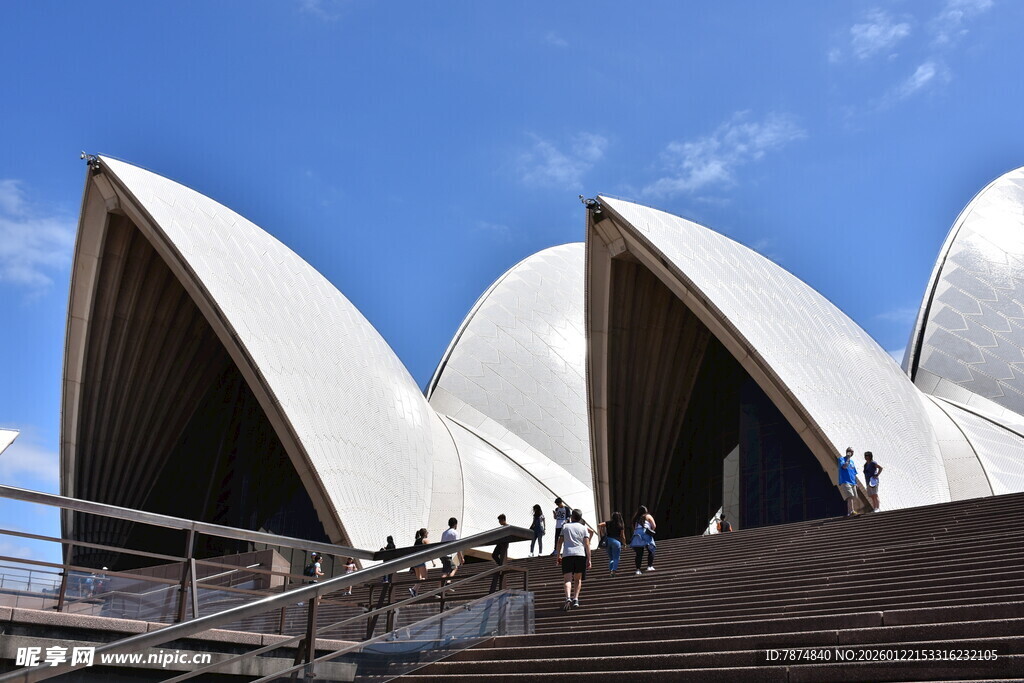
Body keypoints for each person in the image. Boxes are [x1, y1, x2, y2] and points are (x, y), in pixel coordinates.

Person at [555, 508, 593, 610]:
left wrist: (558, 555)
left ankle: (568, 597)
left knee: (567, 579)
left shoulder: (565, 527)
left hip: (567, 554)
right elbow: (587, 544)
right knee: (578, 579)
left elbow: (560, 542)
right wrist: (589, 559)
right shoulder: (583, 528)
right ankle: (575, 598)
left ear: (572, 516)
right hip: (580, 554)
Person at [597, 511, 627, 576]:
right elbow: (622, 536)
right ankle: (613, 571)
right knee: (616, 557)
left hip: (608, 540)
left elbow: (599, 525)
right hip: (616, 542)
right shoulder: (620, 525)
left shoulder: (608, 523)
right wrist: (624, 544)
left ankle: (611, 570)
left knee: (611, 558)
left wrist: (602, 533)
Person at [629, 505, 657, 574]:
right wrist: (650, 531)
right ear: (646, 511)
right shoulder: (648, 516)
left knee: (639, 554)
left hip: (637, 535)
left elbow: (634, 528)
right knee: (651, 550)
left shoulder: (635, 518)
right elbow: (654, 526)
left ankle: (638, 570)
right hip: (645, 534)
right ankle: (649, 566)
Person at [440, 517, 463, 589]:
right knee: (454, 568)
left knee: (446, 571)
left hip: (441, 554)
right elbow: (458, 546)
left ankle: (441, 589)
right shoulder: (455, 533)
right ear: (455, 524)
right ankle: (447, 584)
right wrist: (461, 558)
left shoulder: (444, 533)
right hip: (447, 555)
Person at [838, 446, 859, 517]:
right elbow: (844, 466)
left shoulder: (852, 462)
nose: (852, 453)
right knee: (850, 496)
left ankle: (852, 510)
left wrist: (856, 483)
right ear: (847, 451)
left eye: (853, 452)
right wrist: (848, 459)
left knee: (854, 497)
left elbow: (854, 472)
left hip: (853, 482)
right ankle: (850, 511)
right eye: (850, 451)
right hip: (845, 481)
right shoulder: (841, 459)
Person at [410, 529, 429, 596]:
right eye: (427, 532)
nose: (428, 534)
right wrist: (433, 561)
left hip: (414, 561)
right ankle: (414, 588)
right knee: (425, 577)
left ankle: (415, 592)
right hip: (420, 560)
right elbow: (431, 550)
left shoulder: (417, 540)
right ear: (425, 534)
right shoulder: (425, 540)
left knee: (419, 579)